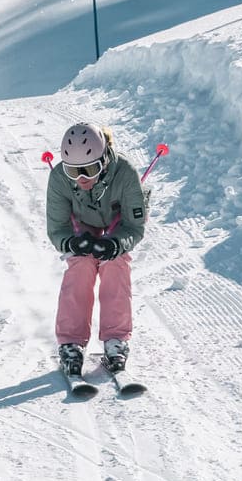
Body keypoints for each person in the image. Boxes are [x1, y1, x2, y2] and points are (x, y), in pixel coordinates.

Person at [45, 122, 146, 375]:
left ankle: (116, 340)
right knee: (81, 263)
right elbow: (57, 227)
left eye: (90, 169)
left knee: (116, 262)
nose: (82, 179)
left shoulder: (125, 173)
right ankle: (71, 342)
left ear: (104, 161)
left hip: (117, 223)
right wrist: (71, 242)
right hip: (82, 223)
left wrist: (115, 243)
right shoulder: (59, 178)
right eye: (73, 171)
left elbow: (134, 227)